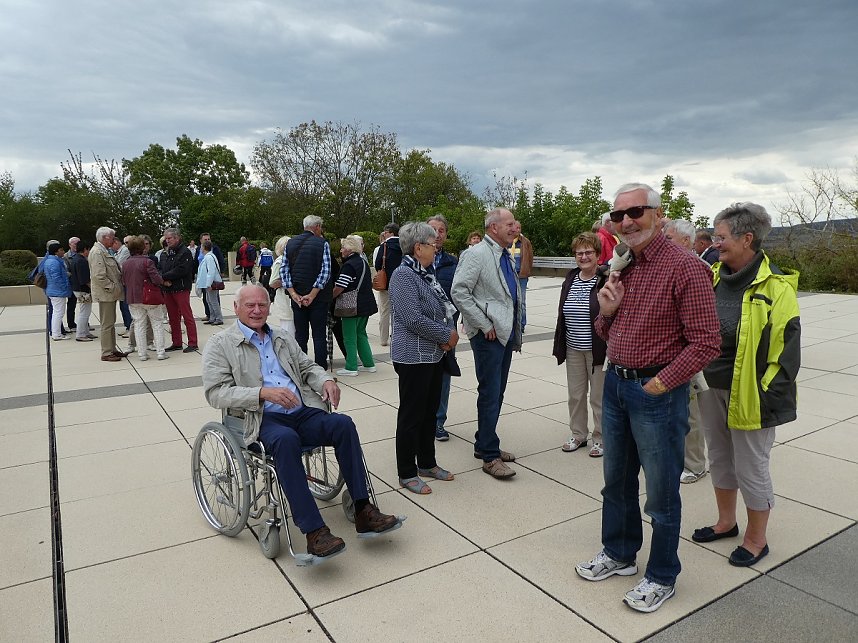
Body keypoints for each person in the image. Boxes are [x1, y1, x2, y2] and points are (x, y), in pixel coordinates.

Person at [574, 182, 720, 614]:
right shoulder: (624, 265)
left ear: (658, 214)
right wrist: (606, 311)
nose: (627, 221)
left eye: (635, 211)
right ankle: (619, 553)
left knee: (660, 494)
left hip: (657, 393)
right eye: (618, 215)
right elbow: (608, 332)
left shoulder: (685, 267)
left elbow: (706, 342)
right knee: (616, 482)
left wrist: (660, 383)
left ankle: (661, 574)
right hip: (616, 386)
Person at [202, 284, 403, 558]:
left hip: (301, 410)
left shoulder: (281, 337)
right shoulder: (220, 344)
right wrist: (261, 393)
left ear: (269, 307)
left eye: (262, 305)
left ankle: (363, 508)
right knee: (286, 440)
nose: (257, 310)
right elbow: (216, 393)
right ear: (236, 308)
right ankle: (314, 531)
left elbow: (307, 367)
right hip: (261, 418)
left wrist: (326, 380)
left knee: (343, 424)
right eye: (250, 305)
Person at [692, 203, 800, 568]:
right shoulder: (712, 277)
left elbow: (785, 352)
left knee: (751, 465)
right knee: (720, 457)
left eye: (721, 237)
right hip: (710, 388)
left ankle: (756, 539)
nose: (715, 243)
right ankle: (726, 522)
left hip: (754, 394)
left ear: (746, 239)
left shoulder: (776, 287)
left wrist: (766, 396)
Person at [451, 208, 521, 479]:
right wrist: (484, 323)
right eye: (509, 224)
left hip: (504, 333)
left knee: (497, 391)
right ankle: (490, 457)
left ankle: (485, 442)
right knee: (491, 392)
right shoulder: (476, 254)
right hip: (488, 335)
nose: (515, 227)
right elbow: (459, 291)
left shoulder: (504, 253)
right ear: (494, 227)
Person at [390, 222, 458, 494]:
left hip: (433, 355)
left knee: (429, 413)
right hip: (412, 357)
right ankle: (407, 472)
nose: (436, 248)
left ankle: (427, 463)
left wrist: (445, 336)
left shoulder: (425, 273)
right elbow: (412, 318)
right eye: (432, 244)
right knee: (411, 415)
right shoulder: (403, 275)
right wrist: (445, 334)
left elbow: (438, 309)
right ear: (418, 248)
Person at [663, 218, 711, 484]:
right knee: (674, 413)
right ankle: (678, 459)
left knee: (690, 415)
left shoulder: (697, 268)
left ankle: (695, 464)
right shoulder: (669, 266)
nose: (664, 243)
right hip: (669, 354)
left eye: (668, 238)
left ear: (685, 241)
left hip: (687, 355)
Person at [553, 232, 607, 457]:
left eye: (588, 252)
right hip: (573, 347)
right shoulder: (571, 278)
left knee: (598, 397)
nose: (583, 257)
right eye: (579, 253)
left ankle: (601, 438)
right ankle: (578, 434)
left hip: (598, 350)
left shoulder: (604, 279)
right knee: (575, 395)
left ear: (597, 254)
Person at [280, 216, 333, 369]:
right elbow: (325, 271)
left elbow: (284, 270)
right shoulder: (322, 243)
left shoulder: (290, 243)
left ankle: (302, 368)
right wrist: (312, 294)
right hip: (319, 298)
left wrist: (293, 293)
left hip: (297, 296)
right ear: (317, 227)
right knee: (319, 335)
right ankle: (320, 368)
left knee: (300, 335)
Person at [426, 214, 458, 442]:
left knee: (444, 376)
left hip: (446, 327)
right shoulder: (414, 262)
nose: (437, 234)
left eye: (441, 230)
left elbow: (459, 293)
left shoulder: (453, 263)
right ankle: (422, 418)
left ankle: (438, 421)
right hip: (421, 326)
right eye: (433, 229)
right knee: (421, 376)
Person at [332, 235, 377, 377]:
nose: (341, 250)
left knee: (349, 337)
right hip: (366, 304)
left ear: (349, 249)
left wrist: (329, 297)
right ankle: (369, 364)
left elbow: (340, 287)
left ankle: (351, 367)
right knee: (361, 334)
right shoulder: (362, 262)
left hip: (351, 306)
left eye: (343, 248)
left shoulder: (349, 265)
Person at [121, 236, 169, 361]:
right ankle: (160, 352)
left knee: (139, 325)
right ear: (142, 247)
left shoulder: (125, 263)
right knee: (157, 324)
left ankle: (142, 354)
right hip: (149, 296)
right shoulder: (147, 262)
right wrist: (163, 282)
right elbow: (156, 278)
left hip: (133, 297)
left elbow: (124, 280)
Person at [89, 227, 127, 362]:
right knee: (107, 324)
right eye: (111, 237)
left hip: (109, 294)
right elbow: (99, 276)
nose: (113, 240)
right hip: (106, 294)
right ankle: (106, 352)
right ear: (104, 237)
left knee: (110, 323)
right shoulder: (97, 252)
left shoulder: (103, 251)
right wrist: (112, 288)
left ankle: (112, 349)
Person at [159, 228, 198, 353]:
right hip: (168, 289)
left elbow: (182, 270)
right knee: (172, 317)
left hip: (181, 288)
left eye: (169, 238)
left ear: (177, 238)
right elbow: (161, 268)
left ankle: (193, 342)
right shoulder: (166, 253)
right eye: (166, 238)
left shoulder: (185, 252)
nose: (167, 240)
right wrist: (162, 279)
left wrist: (164, 277)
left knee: (187, 316)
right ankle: (176, 342)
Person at [374, 223, 402, 347]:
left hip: (385, 283)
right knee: (399, 311)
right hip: (401, 282)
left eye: (386, 232)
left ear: (391, 233)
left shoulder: (384, 246)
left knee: (385, 311)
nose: (384, 234)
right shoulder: (404, 245)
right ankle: (397, 336)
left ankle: (383, 339)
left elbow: (377, 264)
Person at [193, 233, 227, 322]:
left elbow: (211, 272)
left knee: (213, 301)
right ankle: (212, 317)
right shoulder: (208, 256)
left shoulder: (209, 257)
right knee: (209, 300)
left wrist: (208, 284)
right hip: (207, 281)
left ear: (204, 248)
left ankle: (218, 318)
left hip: (211, 282)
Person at [44, 242, 72, 341]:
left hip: (53, 290)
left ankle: (56, 333)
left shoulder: (49, 261)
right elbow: (56, 278)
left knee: (57, 312)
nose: (63, 252)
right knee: (58, 313)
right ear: (56, 252)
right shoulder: (54, 262)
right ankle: (56, 334)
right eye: (61, 250)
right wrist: (64, 287)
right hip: (57, 291)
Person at [508, 220, 533, 332]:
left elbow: (530, 258)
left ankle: (522, 324)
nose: (517, 230)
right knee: (510, 301)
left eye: (519, 228)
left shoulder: (525, 242)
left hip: (521, 275)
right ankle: (512, 323)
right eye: (516, 227)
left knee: (521, 301)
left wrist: (527, 271)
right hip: (509, 275)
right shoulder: (507, 241)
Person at [68, 241, 96, 342]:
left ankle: (85, 332)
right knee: (85, 312)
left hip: (77, 289)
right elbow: (84, 279)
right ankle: (80, 334)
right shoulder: (82, 261)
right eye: (88, 249)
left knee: (85, 311)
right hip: (83, 290)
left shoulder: (75, 259)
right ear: (85, 249)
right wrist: (93, 288)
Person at [268, 235, 295, 334]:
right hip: (286, 298)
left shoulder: (286, 260)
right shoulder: (281, 261)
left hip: (289, 298)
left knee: (290, 328)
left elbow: (272, 283)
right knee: (289, 328)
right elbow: (273, 282)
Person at [65, 236, 80, 331]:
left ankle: (84, 323)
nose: (76, 246)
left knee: (85, 305)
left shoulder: (83, 254)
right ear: (70, 245)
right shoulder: (66, 256)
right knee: (71, 305)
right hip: (72, 284)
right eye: (74, 244)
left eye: (78, 243)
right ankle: (71, 324)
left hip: (82, 283)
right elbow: (66, 271)